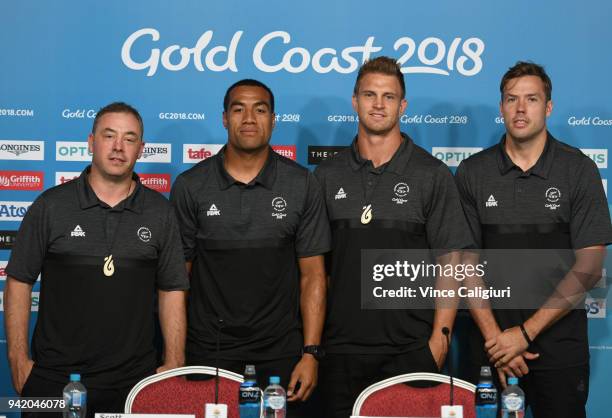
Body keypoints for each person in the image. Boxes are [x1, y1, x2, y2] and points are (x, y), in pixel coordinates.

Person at [4, 102, 189, 417]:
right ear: (91, 142)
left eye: (129, 139)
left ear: (141, 149)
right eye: (109, 136)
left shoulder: (160, 213)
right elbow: (19, 280)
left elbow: (172, 290)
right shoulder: (51, 206)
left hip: (134, 382)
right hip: (53, 379)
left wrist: (174, 365)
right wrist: (19, 362)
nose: (118, 147)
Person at [313, 56, 474, 418]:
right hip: (340, 351)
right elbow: (315, 271)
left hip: (411, 350)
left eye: (389, 97)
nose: (378, 104)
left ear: (402, 105)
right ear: (355, 101)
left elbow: (451, 263)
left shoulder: (431, 174)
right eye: (370, 95)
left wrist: (440, 340)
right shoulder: (326, 176)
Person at [455, 61, 611, 418]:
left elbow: (589, 266)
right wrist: (498, 341)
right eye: (512, 99)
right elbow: (466, 263)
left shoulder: (578, 169)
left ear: (548, 107)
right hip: (490, 350)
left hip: (560, 350)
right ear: (501, 107)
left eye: (532, 99)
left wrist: (523, 335)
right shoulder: (473, 172)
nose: (521, 109)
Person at [170, 79, 330, 416]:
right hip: (209, 351)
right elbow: (177, 282)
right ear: (225, 118)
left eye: (260, 110)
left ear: (273, 121)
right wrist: (176, 355)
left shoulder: (302, 184)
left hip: (281, 352)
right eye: (238, 109)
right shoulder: (191, 186)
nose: (249, 118)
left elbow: (313, 275)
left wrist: (310, 353)